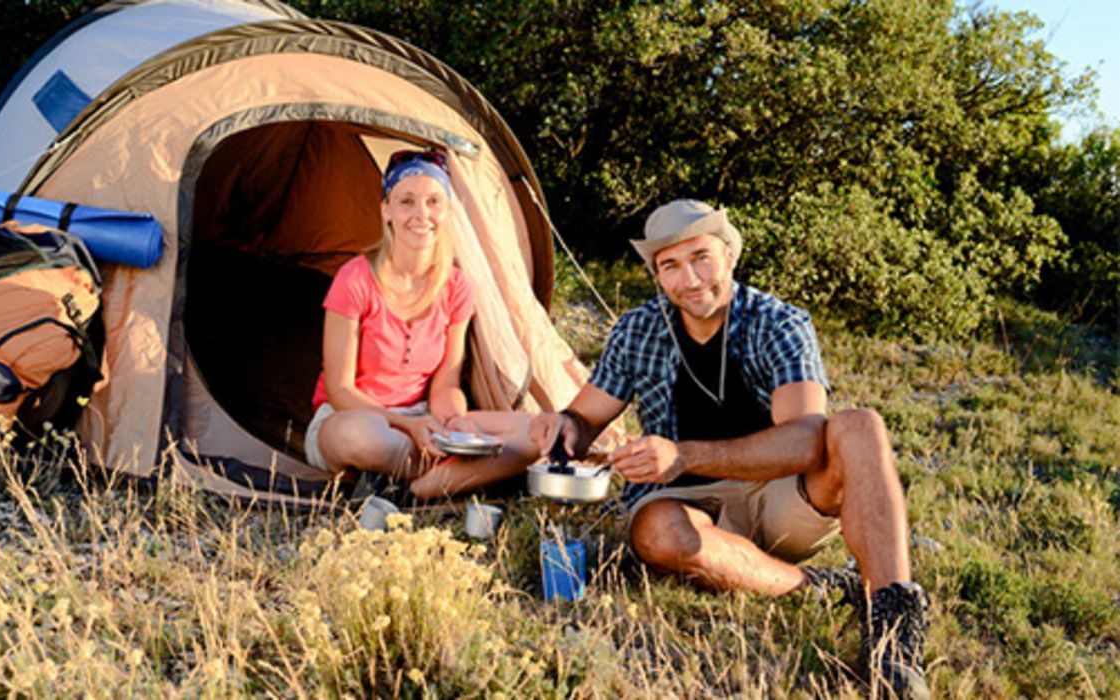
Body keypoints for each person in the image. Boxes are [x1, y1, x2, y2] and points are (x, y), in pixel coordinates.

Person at [530, 200, 930, 699]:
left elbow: (808, 439)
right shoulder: (638, 329)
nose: (690, 279)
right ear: (657, 275)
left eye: (701, 258)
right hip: (684, 506)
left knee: (859, 425)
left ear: (729, 256)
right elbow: (585, 418)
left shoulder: (779, 323)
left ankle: (892, 627)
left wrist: (682, 455)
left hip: (781, 497)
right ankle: (817, 586)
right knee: (656, 533)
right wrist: (563, 428)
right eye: (670, 266)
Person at [304, 149, 536, 499]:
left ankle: (420, 488)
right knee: (363, 437)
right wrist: (409, 426)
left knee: (537, 431)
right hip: (354, 418)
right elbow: (339, 390)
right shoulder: (354, 279)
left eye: (433, 201)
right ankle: (458, 476)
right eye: (407, 201)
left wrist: (457, 424)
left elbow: (445, 382)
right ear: (387, 211)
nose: (421, 214)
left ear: (447, 210)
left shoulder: (456, 286)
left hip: (425, 419)